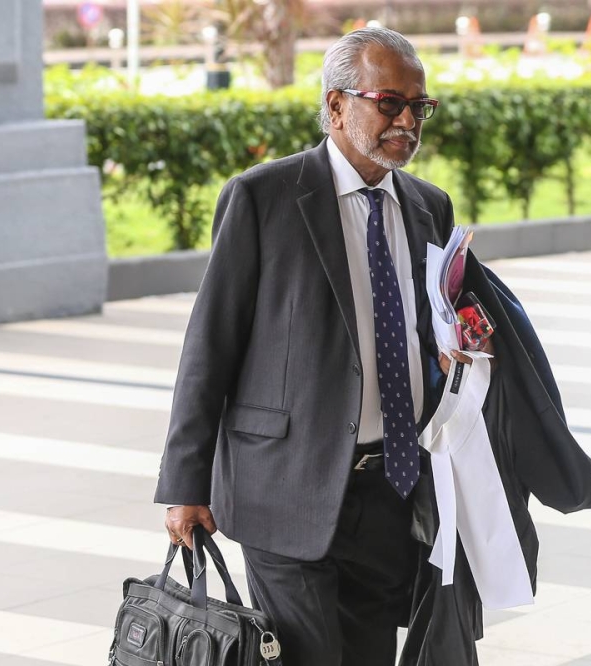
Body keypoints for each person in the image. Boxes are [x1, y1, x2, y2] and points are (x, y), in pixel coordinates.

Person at [155, 27, 468, 665]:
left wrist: (453, 350)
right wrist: (185, 483)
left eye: (419, 107)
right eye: (389, 102)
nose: (407, 121)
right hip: (285, 487)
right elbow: (210, 343)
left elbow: (425, 324)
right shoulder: (263, 197)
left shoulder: (428, 207)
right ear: (335, 106)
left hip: (392, 489)